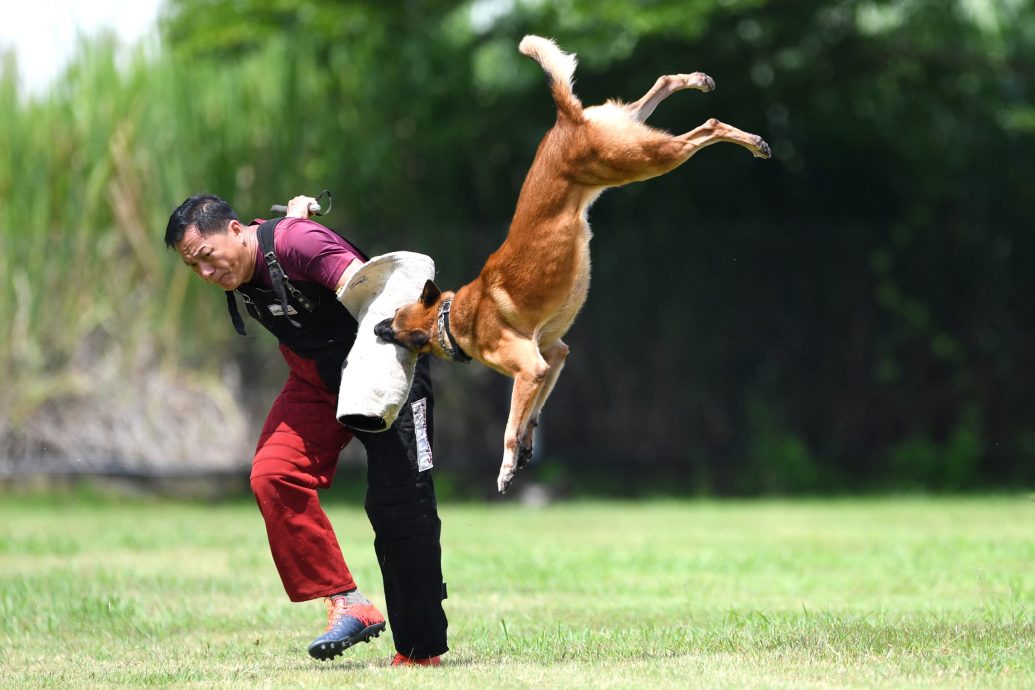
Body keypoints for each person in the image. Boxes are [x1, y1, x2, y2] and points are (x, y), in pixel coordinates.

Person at [164, 193, 448, 667]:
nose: (207, 275)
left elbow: (377, 295)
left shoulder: (300, 243)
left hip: (383, 370)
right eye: (194, 268)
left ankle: (419, 652)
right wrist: (294, 225)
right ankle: (347, 602)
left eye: (207, 258)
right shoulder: (258, 252)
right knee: (273, 474)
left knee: (400, 506)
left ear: (234, 230)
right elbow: (277, 248)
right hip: (316, 380)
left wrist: (300, 232)